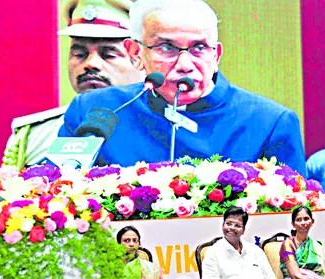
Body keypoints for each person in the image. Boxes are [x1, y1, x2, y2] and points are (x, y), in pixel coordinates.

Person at [58, 0, 306, 172]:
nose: (185, 64)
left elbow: (295, 225)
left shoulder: (269, 122)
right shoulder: (93, 110)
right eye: (167, 48)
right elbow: (55, 196)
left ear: (216, 56)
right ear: (135, 53)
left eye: (199, 48)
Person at [2, 0, 145, 168]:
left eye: (108, 55)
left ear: (141, 59)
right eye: (80, 54)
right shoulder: (35, 135)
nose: (91, 64)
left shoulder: (169, 131)